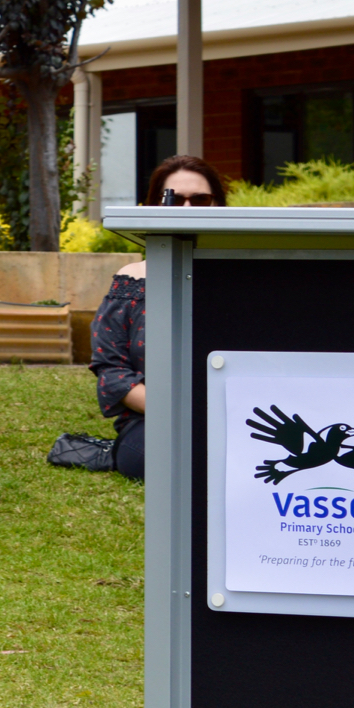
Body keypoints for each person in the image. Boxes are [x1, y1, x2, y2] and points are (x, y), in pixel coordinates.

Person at [90, 155, 227, 481]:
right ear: (154, 206)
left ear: (219, 205)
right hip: (152, 421)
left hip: (232, 416)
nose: (188, 209)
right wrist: (178, 412)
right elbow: (111, 371)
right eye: (175, 199)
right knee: (153, 460)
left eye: (201, 200)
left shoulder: (243, 279)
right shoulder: (131, 281)